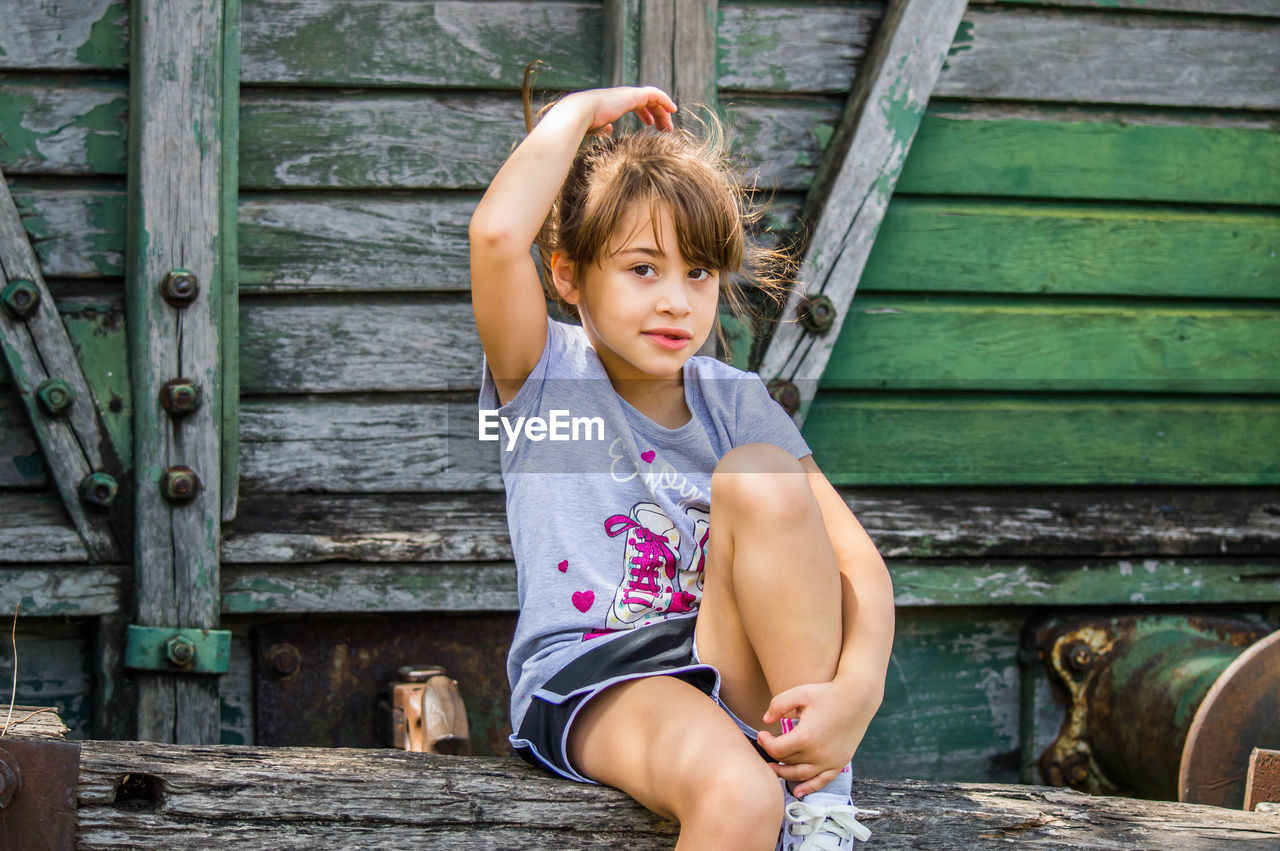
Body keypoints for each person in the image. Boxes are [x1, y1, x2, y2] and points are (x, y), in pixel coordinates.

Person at [469, 81, 895, 850]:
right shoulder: (546, 381)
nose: (676, 301)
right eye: (642, 269)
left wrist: (859, 694)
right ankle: (775, 801)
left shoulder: (735, 399)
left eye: (698, 273)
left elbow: (857, 566)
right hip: (602, 675)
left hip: (724, 659)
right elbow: (498, 237)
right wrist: (577, 115)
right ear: (568, 276)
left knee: (763, 474)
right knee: (736, 797)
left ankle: (819, 802)